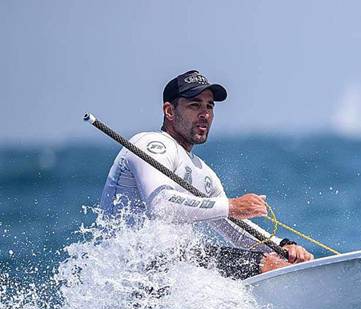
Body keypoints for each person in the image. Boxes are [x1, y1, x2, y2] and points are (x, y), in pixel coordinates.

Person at [99, 69, 312, 278]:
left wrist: (282, 247)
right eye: (194, 105)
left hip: (174, 269)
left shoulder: (203, 173)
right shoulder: (150, 144)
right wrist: (231, 206)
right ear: (169, 111)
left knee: (278, 262)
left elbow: (235, 229)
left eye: (209, 106)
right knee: (268, 266)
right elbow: (161, 206)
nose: (205, 114)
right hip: (135, 265)